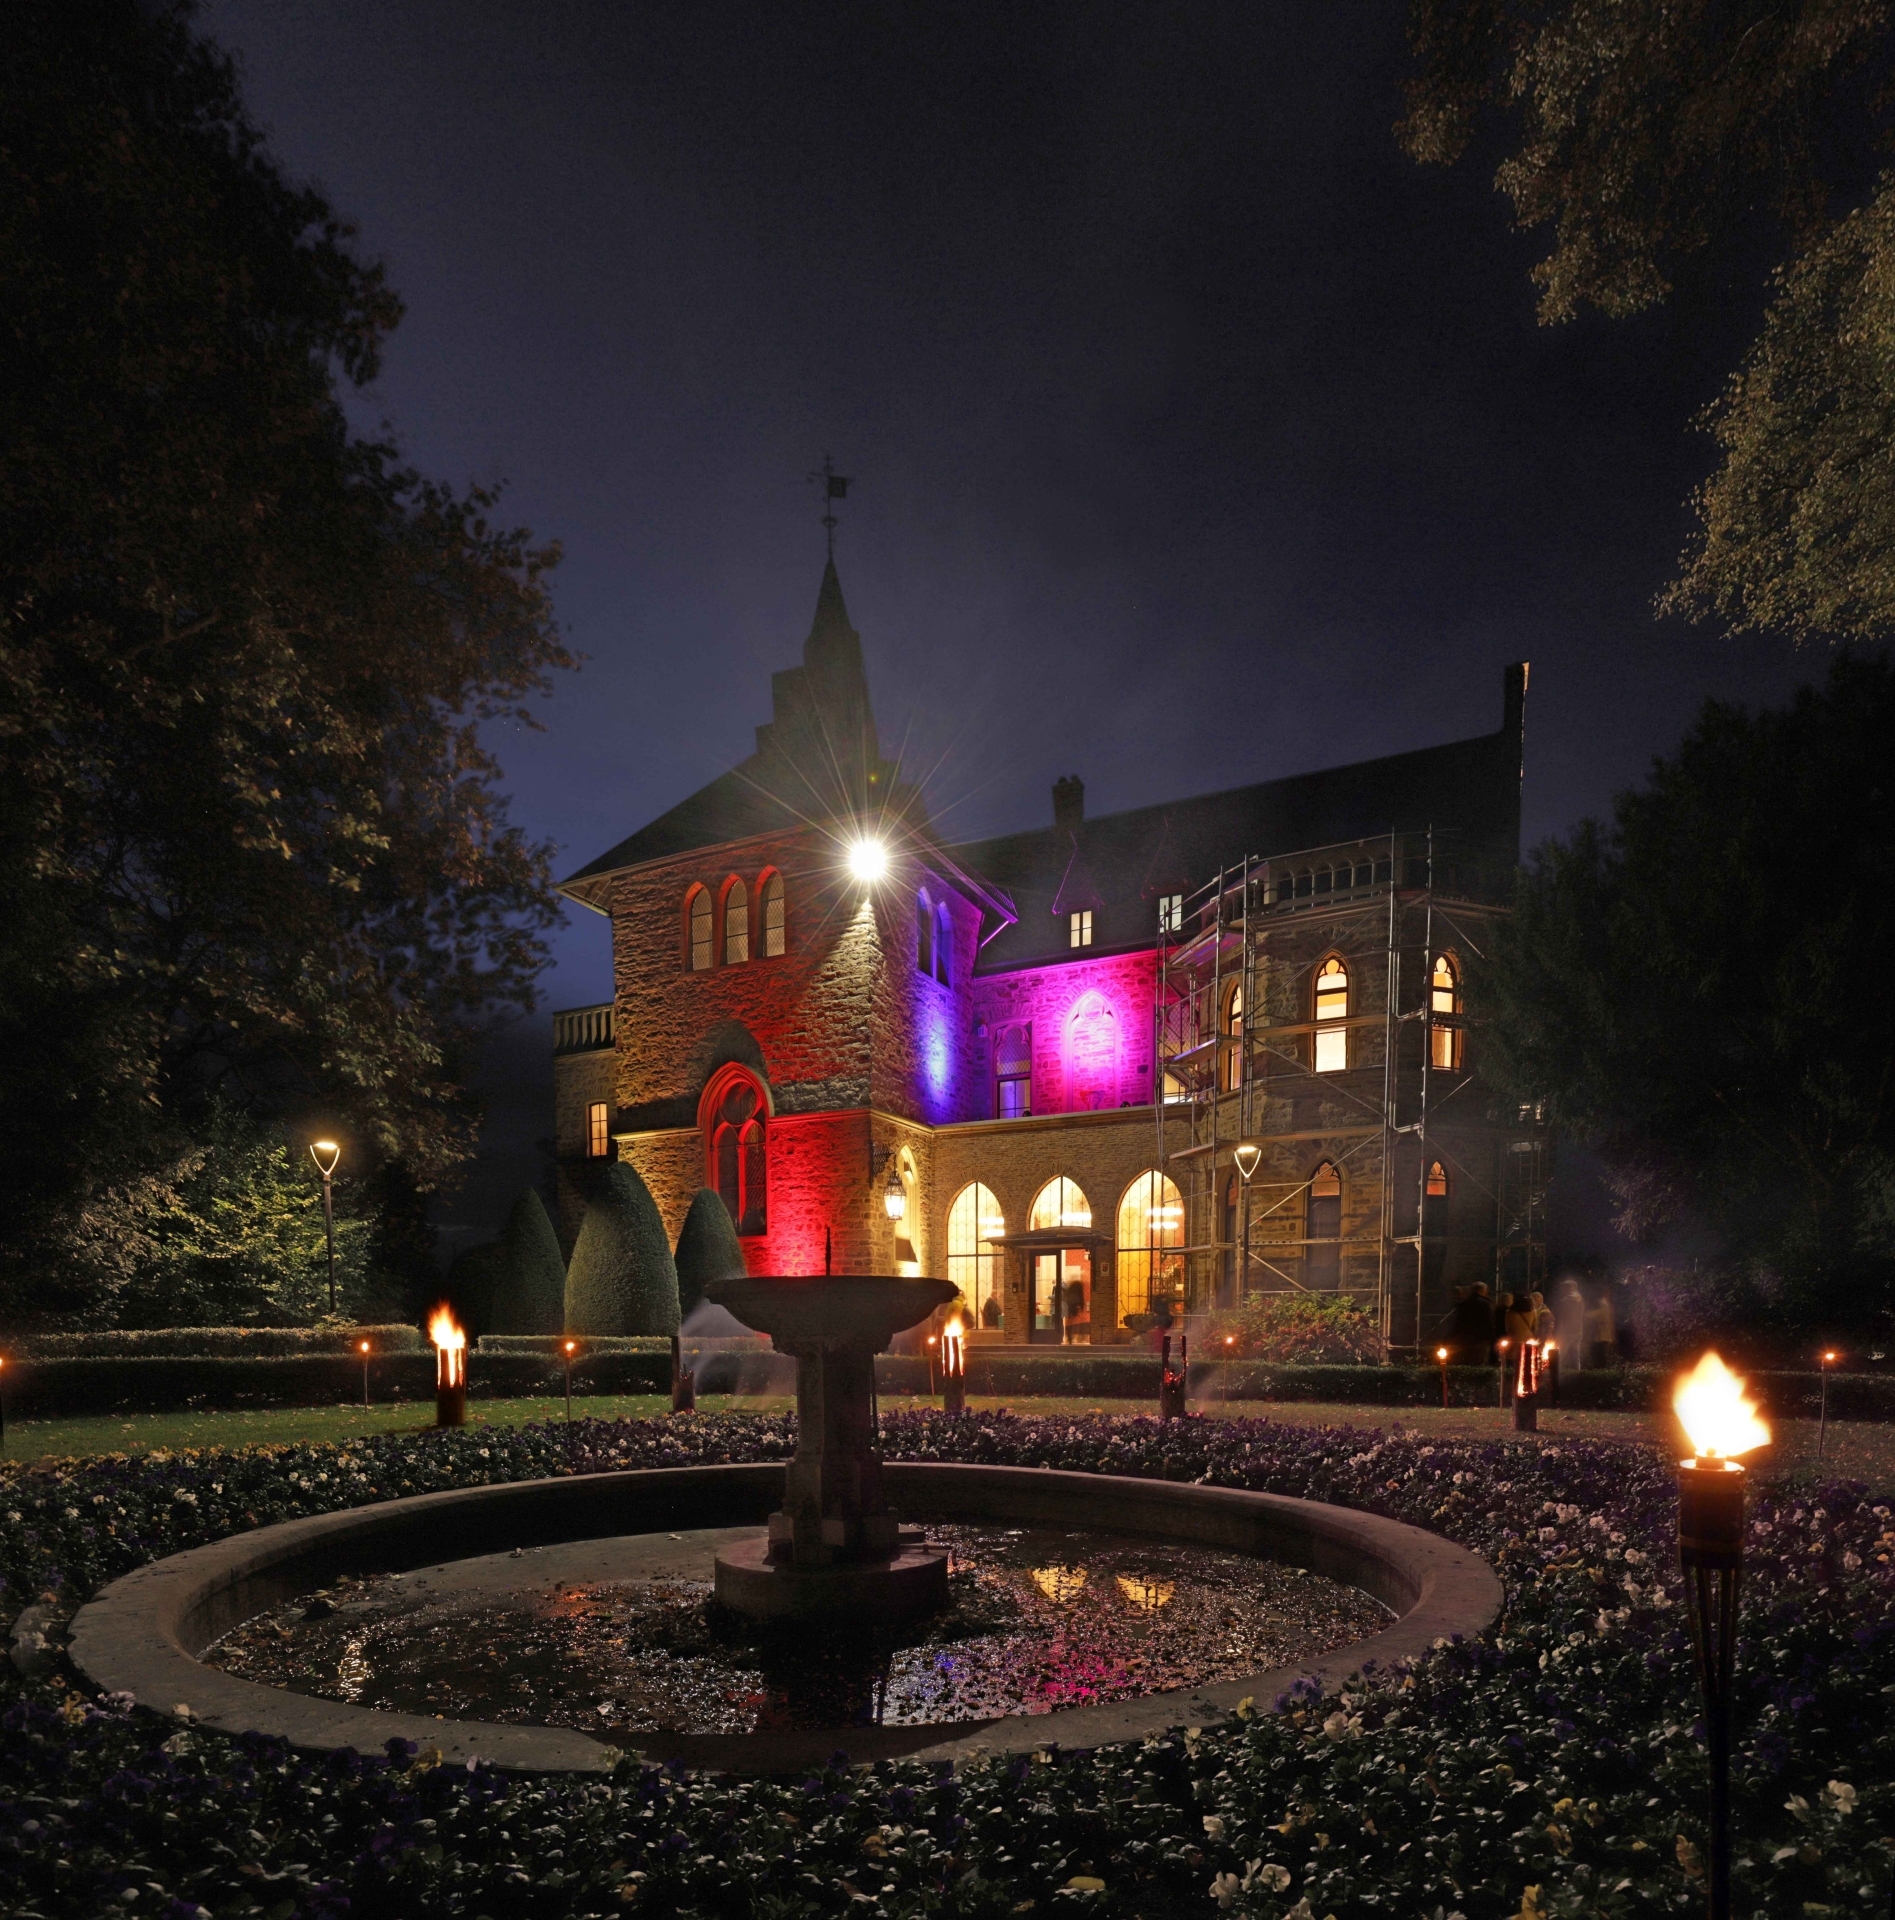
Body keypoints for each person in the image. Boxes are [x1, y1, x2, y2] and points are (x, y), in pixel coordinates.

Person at [1553, 1276, 1587, 1370]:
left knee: (1559, 1355)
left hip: (1565, 1332)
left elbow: (1559, 1318)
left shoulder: (1564, 1302)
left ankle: (1555, 1375)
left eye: (1564, 1287)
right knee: (1575, 1356)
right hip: (1578, 1330)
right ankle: (1577, 1375)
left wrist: (1556, 1332)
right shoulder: (1581, 1299)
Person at [1586, 1288, 1616, 1370]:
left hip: (1600, 1334)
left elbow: (1600, 1314)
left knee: (1597, 1353)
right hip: (1600, 1334)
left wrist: (1587, 1315)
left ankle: (1600, 1370)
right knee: (1598, 1352)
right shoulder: (1605, 1303)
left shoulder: (1602, 1303)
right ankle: (1600, 1370)